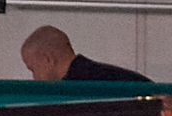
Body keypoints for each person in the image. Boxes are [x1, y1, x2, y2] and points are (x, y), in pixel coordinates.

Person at [20, 25, 148, 82]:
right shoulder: (129, 80)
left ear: (47, 59)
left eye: (33, 69)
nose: (34, 78)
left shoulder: (71, 96)